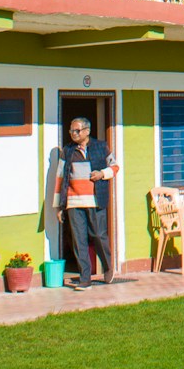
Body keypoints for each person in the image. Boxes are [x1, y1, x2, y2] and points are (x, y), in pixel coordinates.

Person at [53, 117, 117, 290]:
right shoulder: (68, 151)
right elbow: (60, 178)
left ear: (87, 131)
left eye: (77, 130)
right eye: (72, 131)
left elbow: (115, 167)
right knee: (78, 239)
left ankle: (108, 266)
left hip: (95, 200)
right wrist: (59, 206)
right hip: (74, 201)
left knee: (98, 235)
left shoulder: (100, 147)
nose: (74, 134)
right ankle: (85, 278)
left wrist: (102, 174)